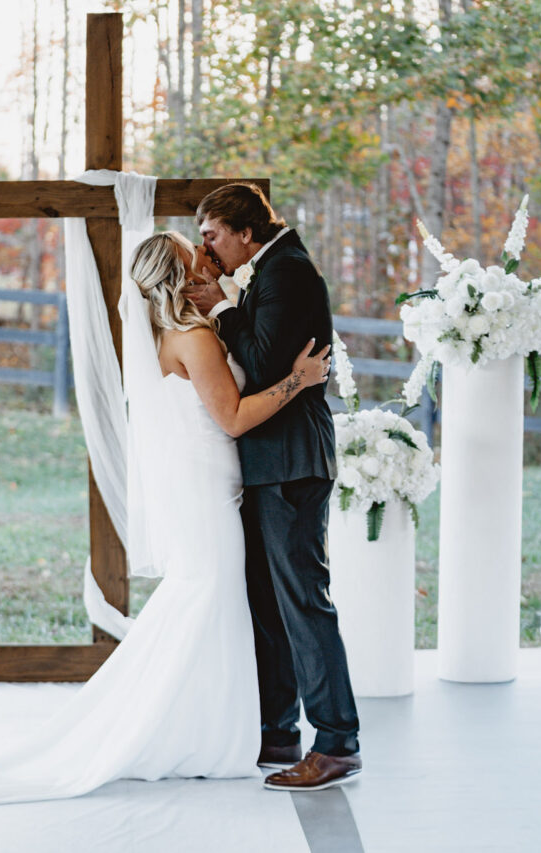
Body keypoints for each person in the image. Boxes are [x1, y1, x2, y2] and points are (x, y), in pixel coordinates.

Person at [0, 232, 331, 808]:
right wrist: (299, 379)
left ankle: (209, 727)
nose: (206, 257)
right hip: (209, 499)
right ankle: (185, 732)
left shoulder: (174, 335)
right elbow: (232, 418)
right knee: (206, 599)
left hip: (212, 489)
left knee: (207, 601)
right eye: (193, 253)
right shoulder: (193, 339)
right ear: (181, 276)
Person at [183, 182, 362, 792]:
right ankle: (278, 730)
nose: (208, 248)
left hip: (291, 461)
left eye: (212, 235)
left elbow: (263, 367)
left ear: (245, 232)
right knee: (268, 604)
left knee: (303, 602)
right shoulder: (269, 270)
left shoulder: (288, 272)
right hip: (268, 463)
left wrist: (221, 308)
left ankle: (336, 743)